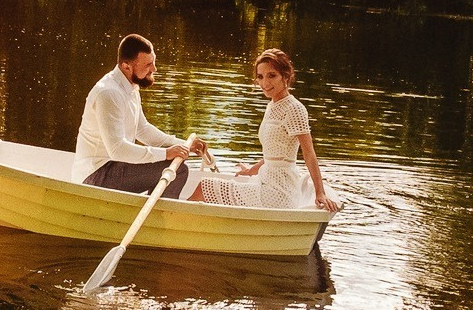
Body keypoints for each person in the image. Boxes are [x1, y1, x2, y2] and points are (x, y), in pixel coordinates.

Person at [187, 48, 341, 211]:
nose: (265, 83)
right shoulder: (272, 105)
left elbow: (309, 153)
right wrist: (250, 171)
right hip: (265, 181)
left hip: (279, 192)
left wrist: (320, 193)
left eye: (272, 75)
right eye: (260, 77)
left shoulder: (294, 109)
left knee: (203, 187)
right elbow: (274, 156)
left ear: (286, 76)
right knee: (204, 187)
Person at [77, 33, 202, 197]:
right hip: (96, 176)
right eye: (148, 64)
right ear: (126, 66)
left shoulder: (130, 86)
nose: (154, 69)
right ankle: (158, 219)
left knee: (174, 166)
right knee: (177, 170)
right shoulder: (108, 92)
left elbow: (142, 129)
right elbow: (117, 150)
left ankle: (151, 213)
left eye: (153, 61)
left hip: (113, 168)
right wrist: (166, 153)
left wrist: (184, 146)